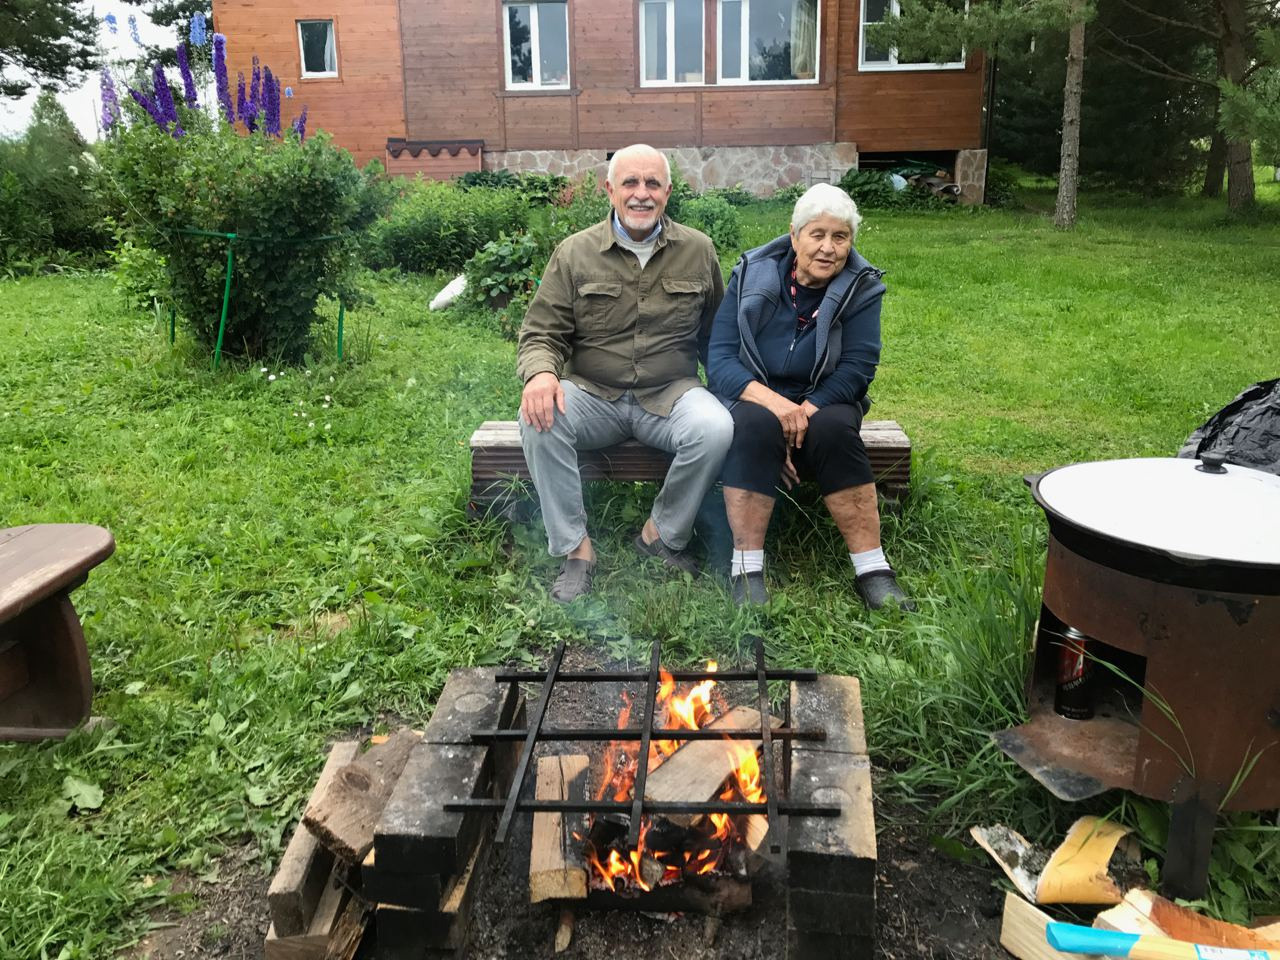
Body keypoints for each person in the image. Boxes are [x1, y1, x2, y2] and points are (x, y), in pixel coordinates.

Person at [517, 144, 733, 603]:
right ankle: (576, 550)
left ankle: (661, 535)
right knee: (540, 419)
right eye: (630, 183)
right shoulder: (575, 253)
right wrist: (540, 375)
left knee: (716, 427)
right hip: (593, 394)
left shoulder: (698, 250)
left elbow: (717, 338)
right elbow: (541, 332)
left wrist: (738, 397)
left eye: (653, 183)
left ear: (668, 192)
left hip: (670, 394)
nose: (641, 194)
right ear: (609, 189)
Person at [706, 183, 913, 611]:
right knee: (753, 426)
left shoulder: (861, 288)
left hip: (825, 398)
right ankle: (746, 569)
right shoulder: (751, 274)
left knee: (834, 429)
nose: (828, 248)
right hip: (757, 396)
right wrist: (778, 407)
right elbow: (720, 359)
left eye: (840, 237)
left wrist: (802, 413)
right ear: (794, 235)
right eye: (817, 234)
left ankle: (873, 569)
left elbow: (858, 368)